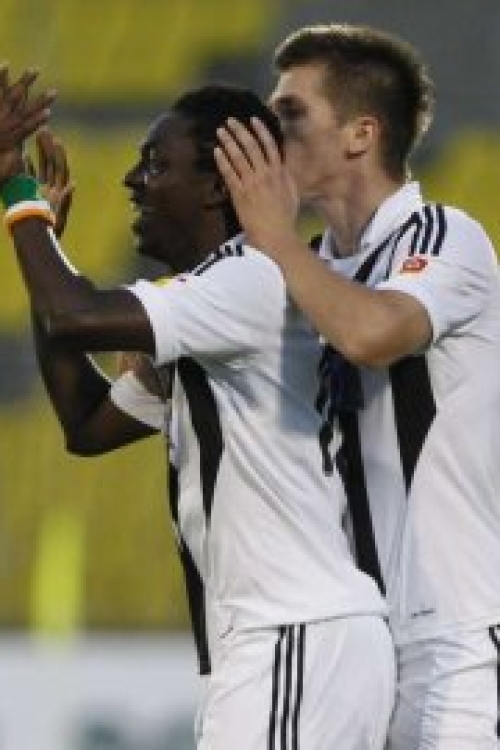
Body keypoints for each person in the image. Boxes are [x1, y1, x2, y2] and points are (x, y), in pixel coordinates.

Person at [0, 72, 394, 750]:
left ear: (218, 185)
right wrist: (43, 255)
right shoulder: (219, 309)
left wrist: (17, 191)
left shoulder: (249, 278)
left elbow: (74, 315)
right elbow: (87, 424)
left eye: (156, 164)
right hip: (282, 643)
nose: (132, 181)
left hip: (291, 632)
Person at [214, 22, 500, 750]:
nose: (269, 135)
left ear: (360, 135)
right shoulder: (301, 266)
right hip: (355, 647)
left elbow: (373, 335)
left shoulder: (443, 237)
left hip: (453, 637)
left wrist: (274, 240)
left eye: (291, 114)